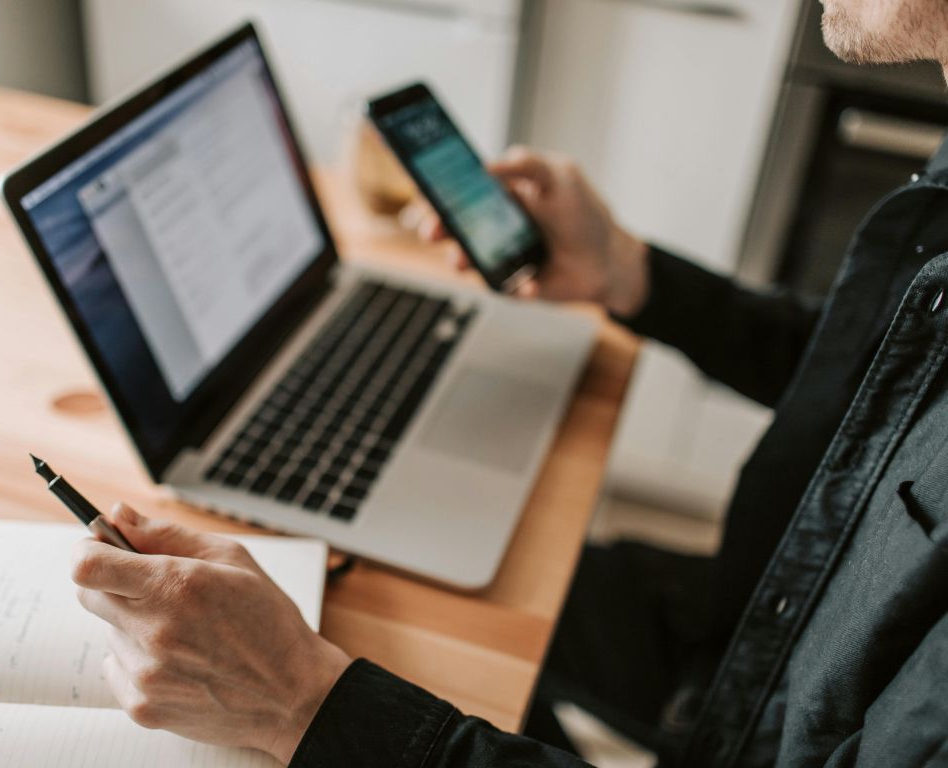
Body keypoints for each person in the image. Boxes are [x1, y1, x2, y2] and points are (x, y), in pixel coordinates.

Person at [71, 1, 948, 765]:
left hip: (761, 709)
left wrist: (302, 702)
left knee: (418, 640)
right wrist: (630, 275)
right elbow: (883, 380)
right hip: (754, 618)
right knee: (475, 603)